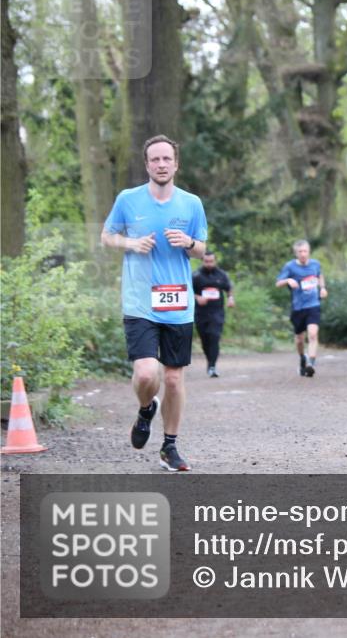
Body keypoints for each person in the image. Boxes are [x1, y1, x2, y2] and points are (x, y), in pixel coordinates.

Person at [101, 134, 207, 472]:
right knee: (147, 373)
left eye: (167, 159)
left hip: (178, 302)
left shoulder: (191, 203)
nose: (161, 165)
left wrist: (189, 241)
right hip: (140, 300)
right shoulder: (128, 200)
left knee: (174, 379)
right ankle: (146, 409)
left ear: (176, 164)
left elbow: (201, 249)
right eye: (155, 160)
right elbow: (107, 236)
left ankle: (169, 447)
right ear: (147, 165)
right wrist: (131, 244)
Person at [275, 240, 327, 377]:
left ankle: (311, 363)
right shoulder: (290, 266)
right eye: (300, 252)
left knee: (313, 334)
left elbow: (319, 275)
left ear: (309, 251)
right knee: (299, 339)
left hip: (313, 305)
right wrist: (287, 280)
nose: (303, 254)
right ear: (296, 253)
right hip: (298, 307)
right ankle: (302, 358)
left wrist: (322, 288)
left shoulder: (315, 264)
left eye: (305, 251)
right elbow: (278, 283)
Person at [193, 251, 235, 378]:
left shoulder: (221, 275)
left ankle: (212, 366)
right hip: (201, 313)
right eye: (206, 261)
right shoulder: (196, 275)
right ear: (202, 261)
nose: (209, 264)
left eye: (211, 261)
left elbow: (229, 288)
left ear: (215, 261)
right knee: (205, 339)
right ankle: (209, 360)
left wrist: (231, 298)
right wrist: (197, 297)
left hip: (217, 312)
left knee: (214, 336)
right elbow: (187, 290)